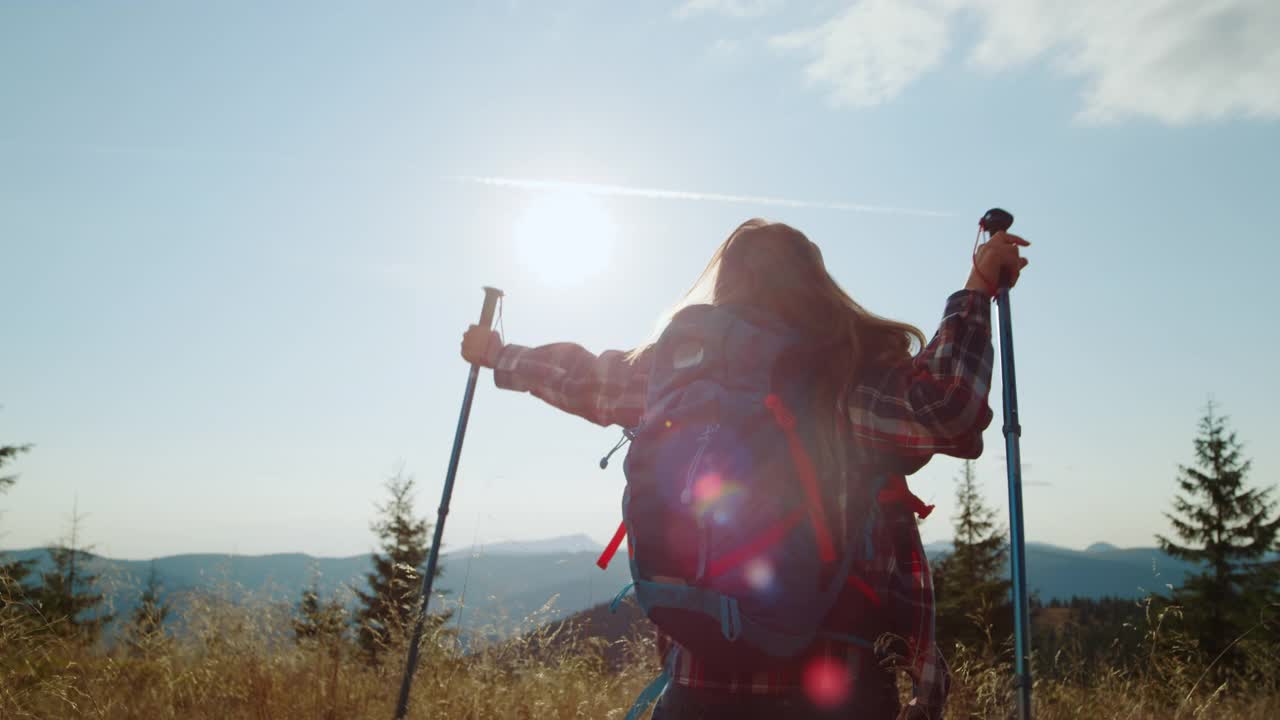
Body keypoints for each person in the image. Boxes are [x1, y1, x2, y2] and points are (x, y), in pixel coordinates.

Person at [461, 219, 1030, 719]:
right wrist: (977, 289)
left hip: (696, 682)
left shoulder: (674, 373)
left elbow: (587, 378)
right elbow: (949, 411)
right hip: (830, 685)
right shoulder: (839, 378)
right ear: (815, 284)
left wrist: (499, 355)